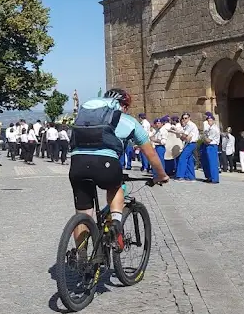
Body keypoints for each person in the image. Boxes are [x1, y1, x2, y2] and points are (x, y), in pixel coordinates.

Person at [69, 89, 170, 249]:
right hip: (106, 164)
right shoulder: (128, 121)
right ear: (123, 106)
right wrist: (161, 175)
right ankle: (116, 223)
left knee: (83, 213)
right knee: (115, 186)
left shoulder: (88, 119)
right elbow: (151, 154)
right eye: (127, 106)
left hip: (77, 163)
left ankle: (81, 260)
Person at [175, 113, 200, 181]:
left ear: (189, 118)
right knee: (189, 160)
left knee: (182, 158)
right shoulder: (187, 125)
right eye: (183, 118)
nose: (184, 120)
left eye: (186, 118)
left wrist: (182, 136)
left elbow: (184, 136)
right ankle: (190, 176)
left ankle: (180, 175)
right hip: (189, 143)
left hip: (191, 143)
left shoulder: (190, 125)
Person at [201, 112, 221, 184]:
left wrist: (204, 137)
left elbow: (208, 140)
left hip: (212, 146)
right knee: (208, 162)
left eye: (210, 120)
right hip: (208, 146)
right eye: (208, 120)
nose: (209, 121)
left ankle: (214, 178)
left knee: (213, 163)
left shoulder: (214, 129)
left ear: (213, 120)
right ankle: (210, 177)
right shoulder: (209, 128)